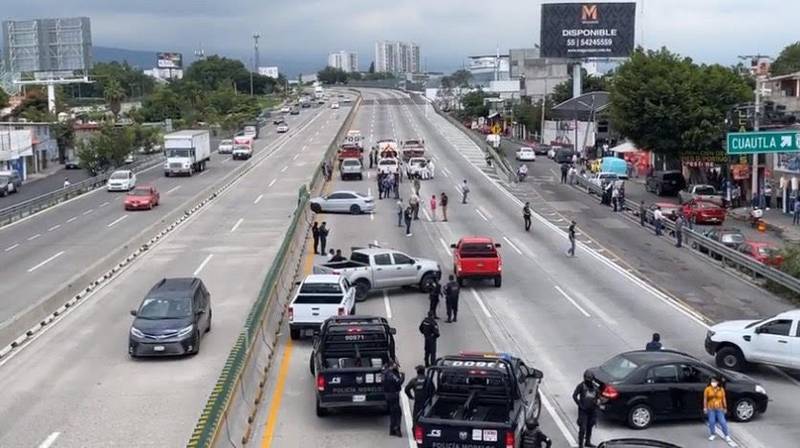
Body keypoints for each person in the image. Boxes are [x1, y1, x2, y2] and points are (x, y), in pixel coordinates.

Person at [572, 370, 600, 448]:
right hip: (583, 411)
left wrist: (597, 404)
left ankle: (588, 442)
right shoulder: (581, 386)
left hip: (592, 410)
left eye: (590, 380)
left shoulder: (595, 387)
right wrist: (580, 405)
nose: (589, 381)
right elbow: (574, 396)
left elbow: (598, 397)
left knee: (590, 427)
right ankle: (580, 444)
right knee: (582, 428)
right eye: (587, 379)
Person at [704, 376, 734, 445]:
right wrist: (705, 408)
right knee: (711, 421)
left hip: (719, 407)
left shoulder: (721, 389)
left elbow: (723, 398)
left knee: (722, 422)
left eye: (714, 381)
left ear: (718, 382)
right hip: (710, 407)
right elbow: (705, 399)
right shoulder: (707, 389)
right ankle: (713, 434)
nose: (713, 383)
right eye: (712, 381)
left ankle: (726, 435)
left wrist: (725, 407)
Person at [382, 362, 405, 437]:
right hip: (393, 394)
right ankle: (397, 428)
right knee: (397, 412)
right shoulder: (391, 374)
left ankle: (392, 429)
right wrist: (403, 376)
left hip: (387, 395)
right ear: (391, 366)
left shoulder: (384, 373)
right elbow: (399, 382)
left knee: (392, 412)